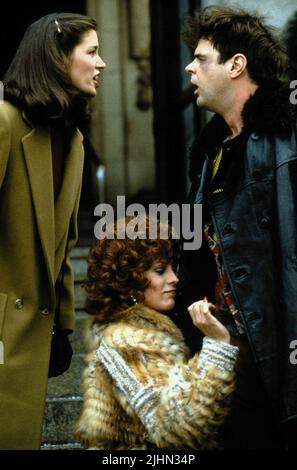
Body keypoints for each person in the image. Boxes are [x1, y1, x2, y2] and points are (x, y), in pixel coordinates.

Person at [178, 5, 297, 449]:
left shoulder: (285, 139)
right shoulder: (210, 151)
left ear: (236, 65)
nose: (190, 67)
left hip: (276, 348)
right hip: (226, 345)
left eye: (201, 58)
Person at [0, 13, 106, 449]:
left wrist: (63, 325)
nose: (101, 65)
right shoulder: (5, 121)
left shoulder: (72, 139)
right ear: (57, 59)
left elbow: (63, 244)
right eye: (92, 52)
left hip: (33, 334)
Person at [76, 216, 239, 450]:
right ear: (130, 278)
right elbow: (175, 432)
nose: (175, 279)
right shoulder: (129, 343)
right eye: (161, 270)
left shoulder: (141, 333)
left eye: (172, 268)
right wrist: (217, 347)